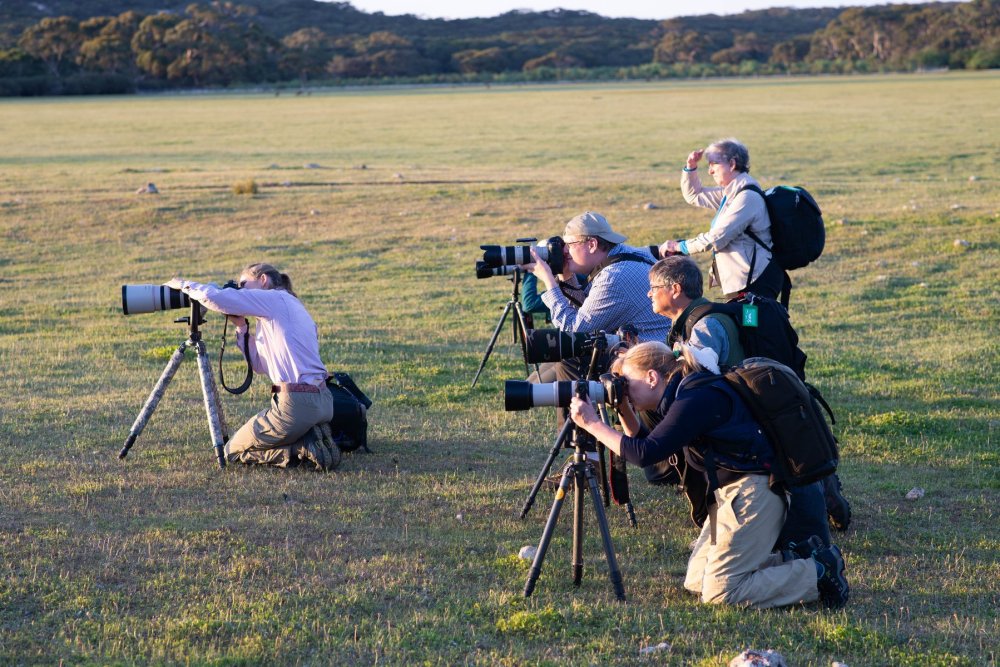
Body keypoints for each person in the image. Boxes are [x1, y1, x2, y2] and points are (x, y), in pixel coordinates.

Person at [568, 342, 849, 609]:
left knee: (720, 591)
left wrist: (591, 423)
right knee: (697, 580)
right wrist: (623, 407)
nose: (624, 390)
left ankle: (818, 571)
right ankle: (794, 558)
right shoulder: (684, 391)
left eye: (627, 383)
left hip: (754, 494)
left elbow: (644, 453)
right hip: (727, 496)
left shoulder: (695, 397)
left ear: (652, 378)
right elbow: (648, 444)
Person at [648, 255, 849, 547]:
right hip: (756, 405)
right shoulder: (701, 317)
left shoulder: (704, 325)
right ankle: (825, 496)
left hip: (743, 414)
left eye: (654, 288)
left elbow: (697, 376)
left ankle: (719, 533)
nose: (649, 294)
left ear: (675, 289)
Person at [165, 263, 339, 471]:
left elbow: (214, 297)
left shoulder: (273, 299)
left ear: (263, 280)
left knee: (231, 451)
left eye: (244, 284)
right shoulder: (290, 306)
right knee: (260, 438)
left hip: (296, 405)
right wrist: (241, 327)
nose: (241, 291)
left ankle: (300, 448)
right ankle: (309, 434)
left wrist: (182, 284)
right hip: (323, 402)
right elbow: (259, 365)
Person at [524, 211, 670, 384]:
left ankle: (579, 403)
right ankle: (527, 391)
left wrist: (549, 280)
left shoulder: (614, 276)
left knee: (569, 356)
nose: (564, 251)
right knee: (551, 363)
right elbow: (586, 312)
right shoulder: (626, 255)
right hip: (647, 347)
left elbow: (573, 332)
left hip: (651, 359)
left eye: (569, 244)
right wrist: (565, 275)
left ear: (592, 244)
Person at [659, 139, 786, 301]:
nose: (710, 171)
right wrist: (690, 167)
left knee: (751, 318)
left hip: (754, 279)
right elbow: (694, 195)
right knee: (744, 318)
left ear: (732, 164)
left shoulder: (746, 197)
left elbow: (716, 238)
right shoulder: (731, 192)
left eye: (713, 164)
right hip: (745, 278)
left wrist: (679, 246)